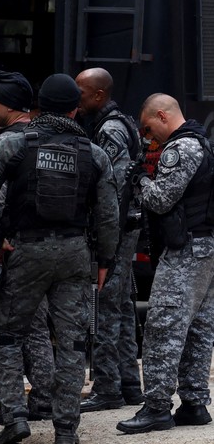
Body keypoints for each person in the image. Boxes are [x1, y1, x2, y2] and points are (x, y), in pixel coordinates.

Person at [0, 73, 119, 444]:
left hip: (24, 252)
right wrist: (104, 260)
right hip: (73, 254)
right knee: (71, 345)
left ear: (39, 106)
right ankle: (66, 430)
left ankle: (15, 418)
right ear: (73, 109)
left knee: (7, 337)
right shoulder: (93, 153)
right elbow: (108, 215)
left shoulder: (15, 145)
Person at [116, 93, 214, 434]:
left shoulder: (179, 148)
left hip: (185, 251)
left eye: (148, 128)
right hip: (206, 248)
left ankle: (157, 406)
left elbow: (160, 200)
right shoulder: (204, 142)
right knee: (198, 330)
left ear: (162, 115)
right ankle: (194, 403)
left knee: (163, 327)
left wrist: (140, 178)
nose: (147, 137)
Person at [0, 71, 57, 430]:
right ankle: (44, 401)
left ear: (10, 107)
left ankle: (8, 406)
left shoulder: (4, 145)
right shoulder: (47, 140)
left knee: (0, 330)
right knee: (35, 328)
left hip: (6, 252)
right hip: (43, 249)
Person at [74, 68, 146, 411]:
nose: (78, 98)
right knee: (122, 308)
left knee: (104, 309)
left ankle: (107, 388)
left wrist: (104, 240)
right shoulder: (119, 123)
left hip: (116, 230)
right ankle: (129, 384)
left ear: (99, 95)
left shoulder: (111, 129)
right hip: (123, 230)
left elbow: (113, 189)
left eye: (82, 92)